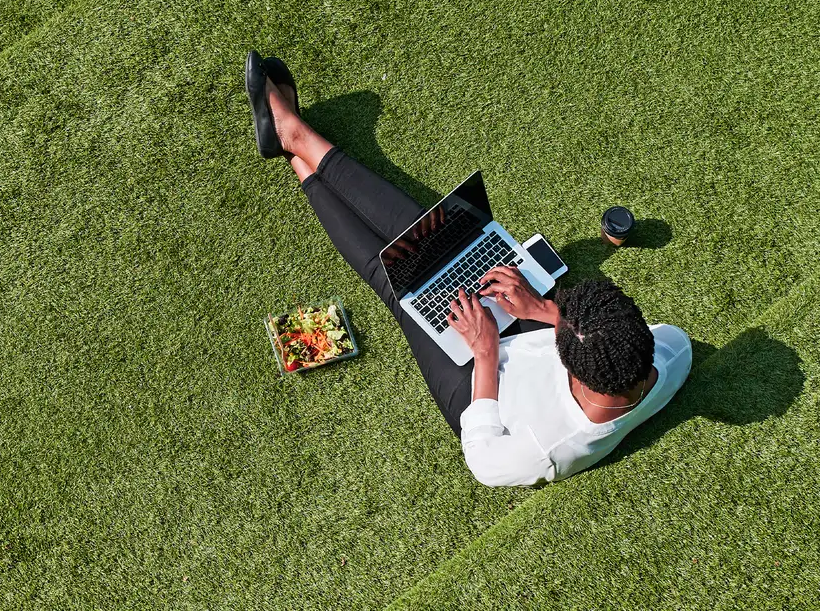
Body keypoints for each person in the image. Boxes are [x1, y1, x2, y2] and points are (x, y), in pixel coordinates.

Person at [245, 52, 693, 486]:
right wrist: (542, 309)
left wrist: (485, 351)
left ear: (571, 373)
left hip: (484, 387)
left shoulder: (542, 451)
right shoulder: (669, 353)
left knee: (401, 289)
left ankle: (296, 153)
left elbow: (481, 454)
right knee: (442, 242)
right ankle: (296, 139)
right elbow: (627, 339)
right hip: (537, 342)